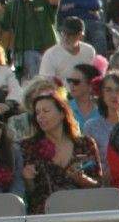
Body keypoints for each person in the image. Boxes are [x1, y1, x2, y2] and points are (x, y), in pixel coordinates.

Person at [19, 82, 103, 212]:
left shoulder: (85, 144)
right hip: (44, 215)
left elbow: (99, 186)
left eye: (46, 111)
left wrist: (83, 180)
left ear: (62, 114)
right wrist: (28, 179)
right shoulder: (28, 146)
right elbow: (26, 193)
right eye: (37, 112)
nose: (40, 116)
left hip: (81, 212)